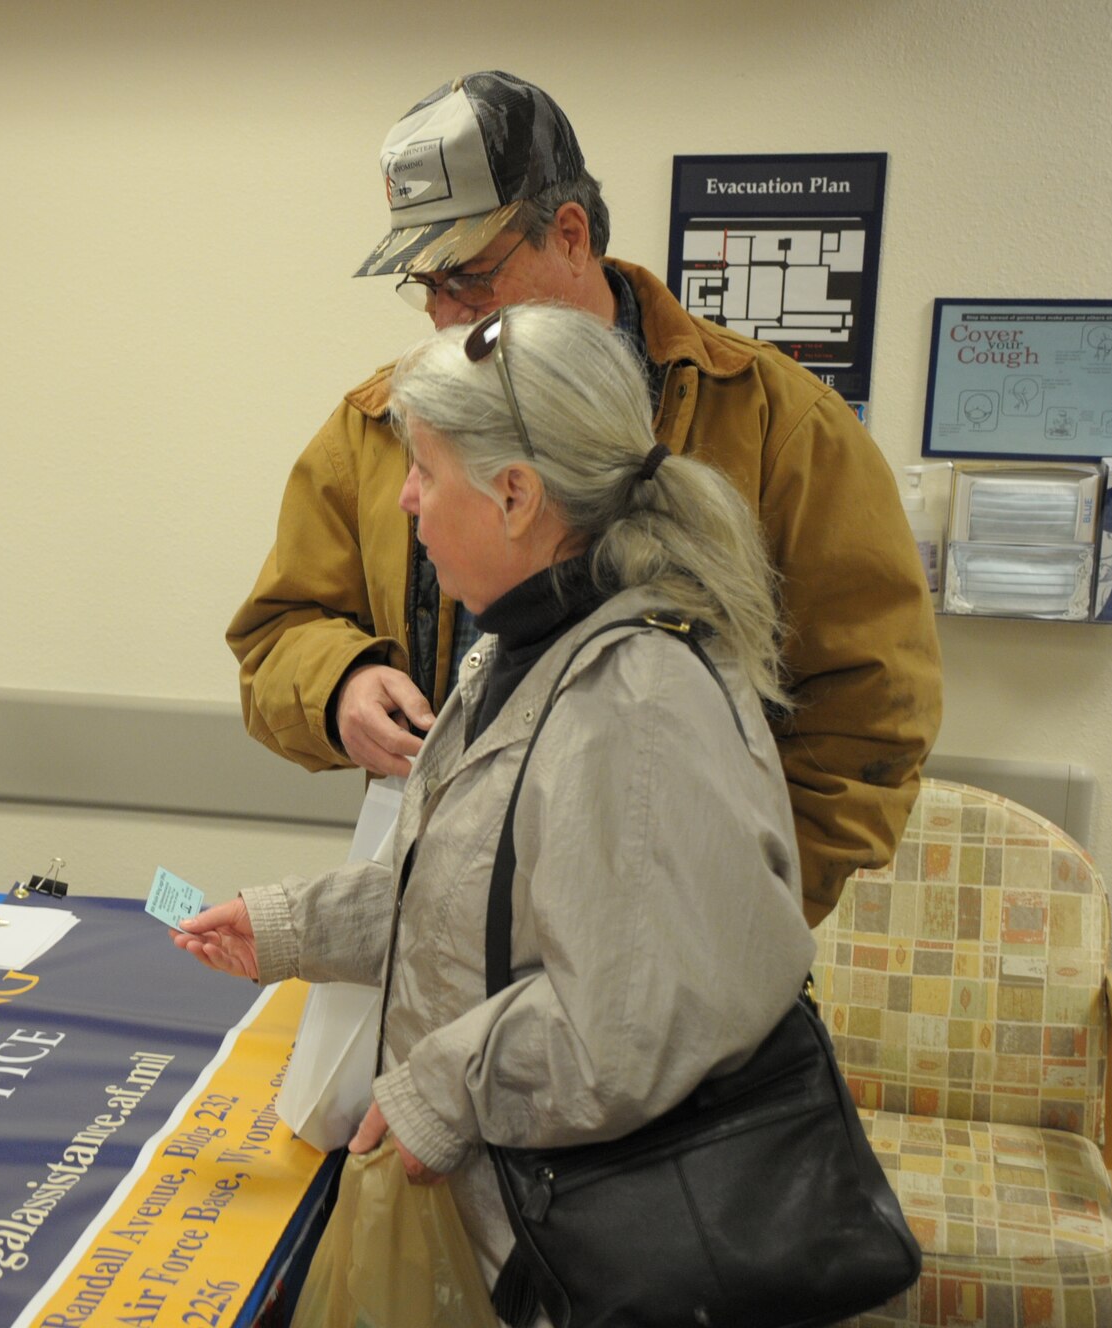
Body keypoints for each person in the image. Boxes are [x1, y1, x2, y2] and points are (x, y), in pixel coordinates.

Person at [181, 302, 815, 1286]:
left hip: (589, 1253)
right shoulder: (514, 658)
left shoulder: (636, 703)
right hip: (513, 1221)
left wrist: (444, 1085)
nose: (403, 501)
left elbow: (632, 1024)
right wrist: (283, 925)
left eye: (424, 470)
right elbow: (459, 894)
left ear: (515, 495)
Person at [226, 71, 940, 922]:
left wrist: (742, 907)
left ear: (570, 235)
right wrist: (339, 686)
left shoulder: (780, 428)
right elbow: (275, 636)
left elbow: (870, 718)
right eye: (425, 285)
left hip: (685, 934)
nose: (446, 318)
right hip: (450, 917)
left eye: (470, 279)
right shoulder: (375, 430)